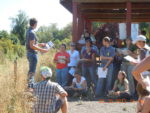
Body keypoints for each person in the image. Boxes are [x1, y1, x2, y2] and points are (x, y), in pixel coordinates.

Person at [26, 18, 49, 88]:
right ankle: (31, 87)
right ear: (35, 24)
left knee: (31, 70)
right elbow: (32, 46)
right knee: (32, 71)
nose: (37, 25)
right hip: (32, 54)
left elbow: (32, 44)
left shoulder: (28, 31)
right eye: (37, 24)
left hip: (29, 53)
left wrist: (40, 44)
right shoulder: (32, 32)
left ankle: (30, 86)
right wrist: (42, 50)